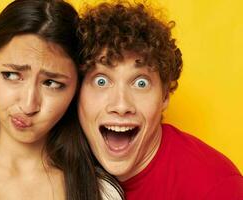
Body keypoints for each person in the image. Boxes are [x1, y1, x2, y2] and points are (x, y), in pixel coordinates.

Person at [0, 0, 123, 199]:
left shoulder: (101, 192)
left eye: (52, 83)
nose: (29, 105)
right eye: (11, 75)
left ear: (77, 86)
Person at [77, 2, 243, 199]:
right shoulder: (53, 161)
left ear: (165, 96)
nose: (121, 106)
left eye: (140, 83)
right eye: (101, 81)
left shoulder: (216, 187)